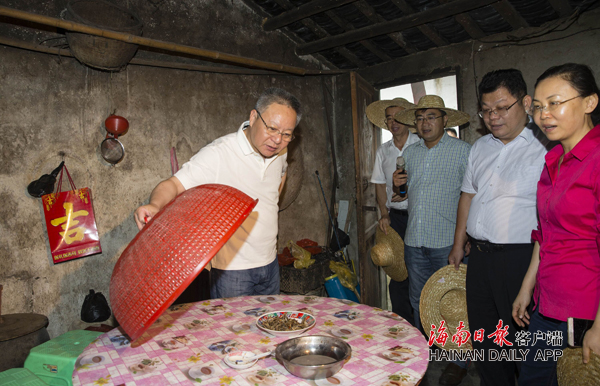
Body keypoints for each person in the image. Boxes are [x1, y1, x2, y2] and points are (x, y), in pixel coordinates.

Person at [134, 88, 301, 299]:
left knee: (267, 329)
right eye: (272, 128)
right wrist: (155, 206)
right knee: (232, 331)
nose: (277, 140)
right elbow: (173, 185)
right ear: (253, 117)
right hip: (232, 270)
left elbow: (279, 178)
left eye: (286, 134)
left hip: (270, 264)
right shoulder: (220, 153)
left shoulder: (281, 152)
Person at [447, 69, 549, 386]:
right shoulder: (480, 148)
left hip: (520, 259)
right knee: (486, 337)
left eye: (502, 107)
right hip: (479, 257)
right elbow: (468, 195)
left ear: (527, 102)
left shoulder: (545, 146)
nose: (493, 117)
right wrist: (458, 241)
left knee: (520, 343)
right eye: (487, 110)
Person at [512, 63, 600, 385]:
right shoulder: (553, 160)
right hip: (547, 303)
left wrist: (599, 328)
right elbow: (546, 232)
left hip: (583, 311)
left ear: (589, 103)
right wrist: (527, 287)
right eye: (538, 106)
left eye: (554, 103)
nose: (543, 114)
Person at [394, 95, 471, 386]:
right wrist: (397, 186)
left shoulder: (463, 151)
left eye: (431, 117)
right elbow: (404, 194)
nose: (424, 123)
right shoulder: (411, 154)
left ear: (444, 120)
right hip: (414, 240)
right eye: (420, 118)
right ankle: (424, 353)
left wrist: (464, 239)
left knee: (455, 304)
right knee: (418, 300)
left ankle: (458, 361)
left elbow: (473, 197)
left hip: (447, 242)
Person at [366, 97, 420, 326]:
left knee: (419, 271)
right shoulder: (383, 151)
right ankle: (403, 326)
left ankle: (426, 330)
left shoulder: (420, 144)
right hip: (396, 218)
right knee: (397, 273)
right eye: (389, 118)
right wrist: (384, 214)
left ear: (407, 120)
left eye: (398, 117)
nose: (393, 122)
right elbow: (379, 184)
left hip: (420, 218)